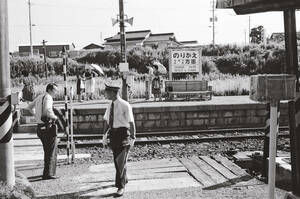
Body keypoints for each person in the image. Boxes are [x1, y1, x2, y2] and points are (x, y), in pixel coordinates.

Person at [102, 82, 136, 197]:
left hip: (123, 134)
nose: (105, 94)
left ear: (113, 92)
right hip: (113, 134)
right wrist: (104, 135)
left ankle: (120, 186)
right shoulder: (110, 105)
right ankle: (124, 179)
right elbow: (107, 121)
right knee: (117, 159)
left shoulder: (125, 105)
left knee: (120, 161)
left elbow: (131, 122)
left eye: (107, 92)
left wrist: (133, 137)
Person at [27, 83, 59, 180]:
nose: (56, 93)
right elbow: (47, 110)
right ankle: (48, 173)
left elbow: (29, 107)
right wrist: (55, 117)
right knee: (51, 150)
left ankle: (47, 172)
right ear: (49, 90)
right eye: (54, 90)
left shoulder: (40, 96)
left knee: (47, 150)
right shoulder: (48, 97)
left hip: (40, 127)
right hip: (47, 126)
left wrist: (36, 116)